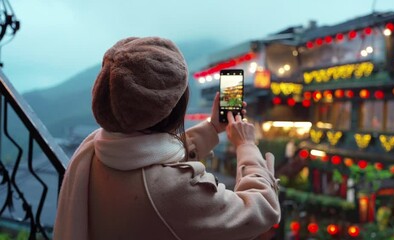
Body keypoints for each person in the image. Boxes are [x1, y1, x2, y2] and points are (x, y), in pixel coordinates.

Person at [53, 37, 280, 240]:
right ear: (173, 108)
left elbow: (150, 155)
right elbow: (261, 209)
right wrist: (246, 145)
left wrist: (212, 128)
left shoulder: (96, 147)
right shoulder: (172, 191)